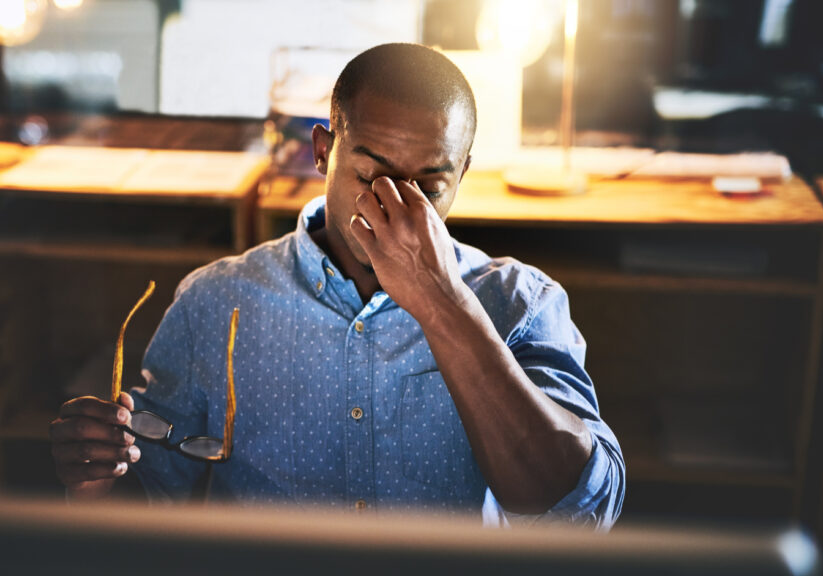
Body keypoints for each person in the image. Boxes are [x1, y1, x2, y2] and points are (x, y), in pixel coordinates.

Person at [50, 43, 624, 528]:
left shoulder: (522, 302)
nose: (394, 207)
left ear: (462, 176)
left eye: (430, 184)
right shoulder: (215, 302)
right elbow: (149, 501)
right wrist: (100, 477)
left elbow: (580, 508)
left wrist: (440, 301)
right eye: (371, 175)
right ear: (324, 152)